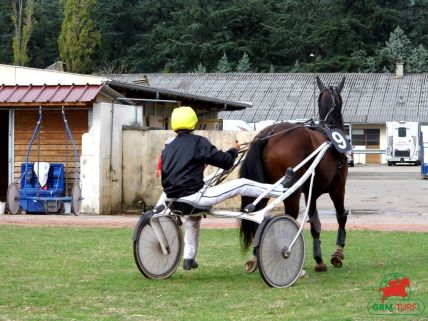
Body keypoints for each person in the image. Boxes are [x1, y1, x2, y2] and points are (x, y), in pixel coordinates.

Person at [160, 106, 285, 271]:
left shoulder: (168, 147)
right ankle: (281, 189)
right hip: (195, 198)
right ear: (193, 123)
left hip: (174, 202)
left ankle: (189, 259)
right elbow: (225, 162)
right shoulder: (198, 142)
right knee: (242, 184)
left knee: (193, 219)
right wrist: (234, 150)